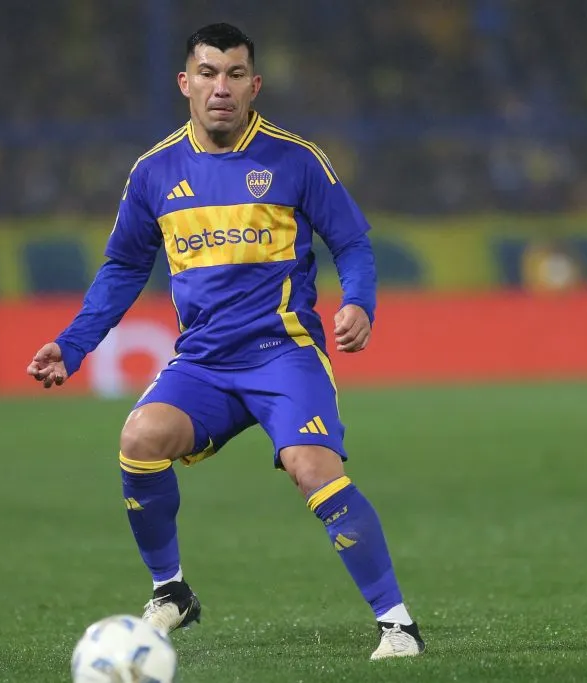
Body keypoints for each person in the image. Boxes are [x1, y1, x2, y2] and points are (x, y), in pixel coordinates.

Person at [27, 23, 425, 660]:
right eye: (208, 73)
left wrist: (359, 301)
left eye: (235, 74)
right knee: (139, 440)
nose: (221, 87)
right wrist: (72, 346)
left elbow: (350, 242)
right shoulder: (155, 172)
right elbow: (125, 267)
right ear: (185, 83)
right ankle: (172, 592)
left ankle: (398, 626)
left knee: (312, 469)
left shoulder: (295, 159)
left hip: (283, 355)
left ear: (254, 85)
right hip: (204, 364)